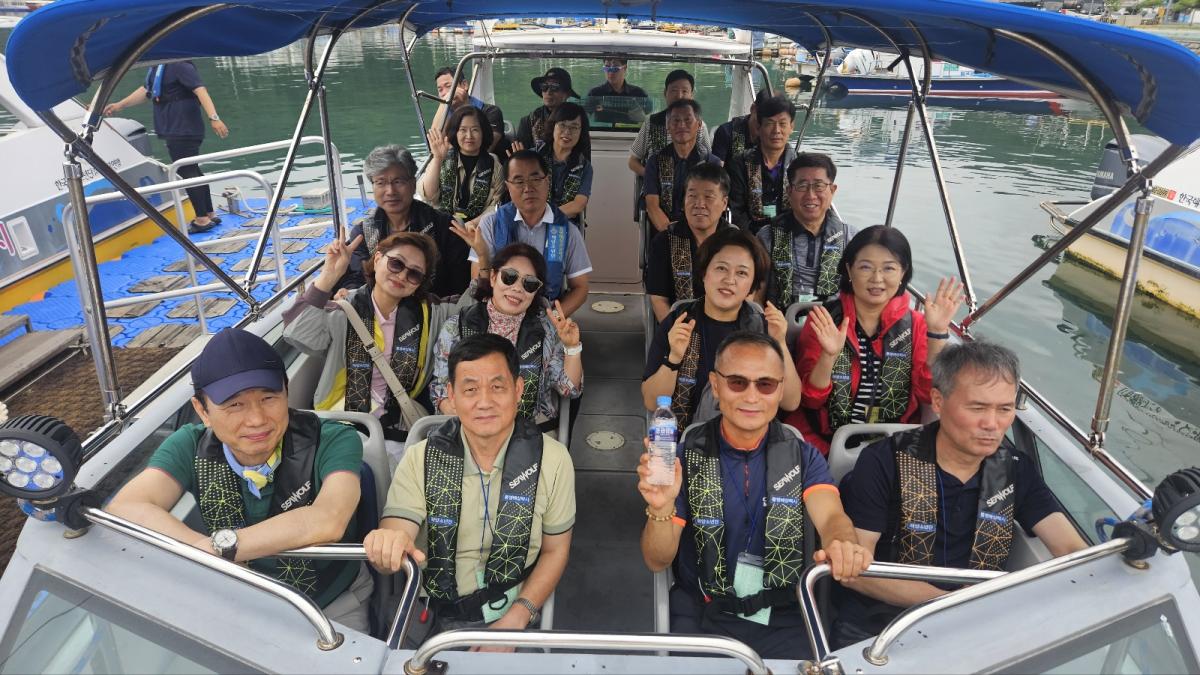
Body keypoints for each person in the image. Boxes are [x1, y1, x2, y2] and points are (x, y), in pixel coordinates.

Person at [106, 328, 370, 630]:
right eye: (234, 404)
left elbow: (329, 519)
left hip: (333, 601)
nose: (257, 419)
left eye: (268, 397)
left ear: (286, 391)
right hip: (241, 599)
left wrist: (221, 548)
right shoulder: (189, 446)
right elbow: (126, 506)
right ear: (202, 410)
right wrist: (203, 548)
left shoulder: (333, 439)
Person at [832, 341, 1088, 646]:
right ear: (938, 402)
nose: (992, 424)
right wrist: (946, 603)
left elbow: (1070, 548)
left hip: (977, 624)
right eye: (977, 408)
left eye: (1004, 409)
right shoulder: (883, 461)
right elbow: (858, 572)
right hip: (880, 623)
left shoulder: (1016, 468)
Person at [638, 331, 871, 660]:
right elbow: (656, 559)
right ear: (716, 386)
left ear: (780, 389)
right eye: (737, 383)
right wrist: (660, 508)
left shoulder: (803, 457)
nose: (752, 396)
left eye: (766, 384)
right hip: (705, 615)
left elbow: (832, 517)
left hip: (786, 618)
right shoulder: (682, 459)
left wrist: (842, 543)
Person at [363, 334, 575, 647]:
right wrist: (388, 546)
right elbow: (397, 532)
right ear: (451, 395)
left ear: (518, 389)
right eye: (471, 389)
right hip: (430, 615)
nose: (484, 402)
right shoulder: (421, 457)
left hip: (512, 615)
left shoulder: (553, 460)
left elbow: (556, 550)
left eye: (497, 387)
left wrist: (517, 618)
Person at [784, 226, 963, 455]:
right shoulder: (824, 320)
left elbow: (927, 394)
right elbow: (810, 400)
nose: (877, 279)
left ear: (903, 272)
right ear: (849, 269)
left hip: (894, 444)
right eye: (865, 267)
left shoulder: (918, 325)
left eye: (889, 268)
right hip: (823, 441)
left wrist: (936, 333)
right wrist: (828, 357)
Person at [283, 231, 471, 448]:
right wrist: (329, 275)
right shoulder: (342, 310)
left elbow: (472, 312)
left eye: (414, 274)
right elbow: (297, 334)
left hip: (400, 428)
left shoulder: (432, 313)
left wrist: (482, 260)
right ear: (378, 259)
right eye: (396, 264)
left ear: (419, 283)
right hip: (342, 424)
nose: (402, 276)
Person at [642, 227, 801, 428]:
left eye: (741, 273)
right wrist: (674, 358)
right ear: (704, 273)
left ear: (752, 286)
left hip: (749, 439)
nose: (729, 280)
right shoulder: (679, 322)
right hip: (687, 439)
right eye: (721, 268)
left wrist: (779, 343)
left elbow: (790, 402)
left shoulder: (764, 328)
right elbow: (652, 401)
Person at [430, 243, 583, 426]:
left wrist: (572, 348)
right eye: (509, 277)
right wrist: (469, 421)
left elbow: (569, 390)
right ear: (493, 277)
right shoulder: (456, 326)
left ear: (535, 292)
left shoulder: (546, 330)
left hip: (530, 431)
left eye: (529, 283)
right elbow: (441, 389)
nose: (517, 288)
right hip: (469, 429)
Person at [103, 61, 229, 234]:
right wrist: (120, 105)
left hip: (183, 127)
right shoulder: (157, 66)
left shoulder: (178, 64)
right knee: (192, 169)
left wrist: (214, 118)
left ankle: (202, 219)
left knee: (187, 171)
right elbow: (147, 90)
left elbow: (200, 90)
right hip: (173, 127)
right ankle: (209, 213)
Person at [468, 150, 592, 317]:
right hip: (498, 316)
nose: (528, 188)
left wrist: (551, 321)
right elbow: (478, 282)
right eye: (519, 181)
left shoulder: (568, 231)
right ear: (508, 187)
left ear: (547, 181)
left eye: (535, 179)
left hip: (545, 314)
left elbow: (580, 288)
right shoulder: (490, 224)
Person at [336, 145, 469, 298]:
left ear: (413, 184)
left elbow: (460, 283)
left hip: (435, 307)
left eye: (398, 182)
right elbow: (357, 277)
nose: (390, 191)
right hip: (380, 309)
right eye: (380, 182)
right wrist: (348, 291)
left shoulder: (444, 227)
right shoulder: (363, 233)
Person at [756, 153, 854, 309]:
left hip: (834, 320)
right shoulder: (767, 237)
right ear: (789, 191)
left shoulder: (850, 238)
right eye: (802, 186)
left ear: (832, 190)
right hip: (779, 319)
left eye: (819, 186)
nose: (811, 195)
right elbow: (756, 295)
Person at [644, 163, 732, 321]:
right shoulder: (664, 241)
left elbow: (747, 295)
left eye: (709, 197)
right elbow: (659, 300)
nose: (699, 204)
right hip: (679, 326)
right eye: (692, 196)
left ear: (724, 203)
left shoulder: (736, 243)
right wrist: (673, 331)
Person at [419, 106, 504, 231]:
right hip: (441, 226)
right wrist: (437, 158)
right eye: (463, 130)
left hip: (477, 229)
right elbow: (428, 195)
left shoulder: (495, 166)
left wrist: (472, 224)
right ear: (455, 132)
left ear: (483, 132)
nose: (469, 136)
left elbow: (495, 207)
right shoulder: (442, 157)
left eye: (475, 130)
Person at [643, 99, 721, 232]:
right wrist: (670, 232)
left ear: (699, 124)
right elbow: (652, 206)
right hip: (666, 231)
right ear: (668, 126)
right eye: (676, 120)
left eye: (688, 120)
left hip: (702, 232)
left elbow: (713, 205)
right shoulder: (655, 162)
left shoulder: (711, 163)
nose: (681, 125)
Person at [727, 95, 798, 233]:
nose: (776, 130)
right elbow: (737, 211)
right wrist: (755, 239)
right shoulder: (739, 163)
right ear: (759, 127)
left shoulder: (799, 165)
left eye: (782, 124)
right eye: (770, 123)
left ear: (791, 127)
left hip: (789, 233)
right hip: (751, 235)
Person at [627, 69, 712, 178]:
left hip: (690, 184)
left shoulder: (699, 125)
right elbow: (633, 161)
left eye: (684, 91)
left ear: (692, 95)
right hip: (657, 184)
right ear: (665, 93)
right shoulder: (652, 122)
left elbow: (709, 160)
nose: (679, 96)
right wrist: (651, 176)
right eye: (674, 90)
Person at [536, 102, 593, 225]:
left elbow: (578, 205)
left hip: (564, 224)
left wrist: (546, 217)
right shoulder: (534, 157)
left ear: (581, 132)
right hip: (532, 222)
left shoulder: (584, 166)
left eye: (574, 127)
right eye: (562, 125)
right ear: (553, 126)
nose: (567, 132)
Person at [433, 66, 507, 155]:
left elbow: (485, 148)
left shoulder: (491, 112)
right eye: (440, 90)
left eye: (449, 86)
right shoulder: (445, 117)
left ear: (464, 85)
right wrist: (444, 103)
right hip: (456, 162)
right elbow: (434, 146)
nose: (444, 93)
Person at [516, 67, 578, 149]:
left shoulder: (577, 121)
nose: (548, 92)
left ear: (567, 94)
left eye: (555, 87)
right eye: (544, 87)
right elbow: (520, 154)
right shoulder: (528, 122)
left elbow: (583, 153)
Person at [585, 57, 652, 124]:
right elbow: (584, 118)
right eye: (607, 68)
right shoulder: (595, 93)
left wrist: (642, 117)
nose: (610, 72)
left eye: (615, 68)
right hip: (601, 130)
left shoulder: (639, 94)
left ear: (625, 68)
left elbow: (648, 121)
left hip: (631, 131)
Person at [711, 90, 765, 165]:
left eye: (769, 122)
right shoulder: (727, 132)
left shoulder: (773, 138)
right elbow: (716, 169)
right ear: (753, 108)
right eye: (760, 119)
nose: (763, 125)